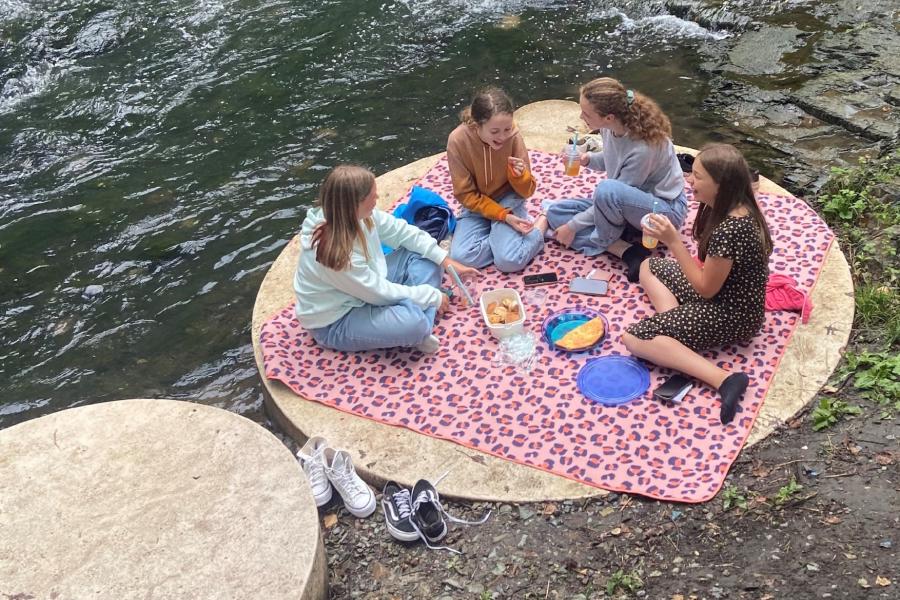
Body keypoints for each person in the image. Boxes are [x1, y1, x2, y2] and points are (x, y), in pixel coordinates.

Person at [622, 144, 773, 424]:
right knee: (648, 266)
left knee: (634, 338)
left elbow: (705, 289)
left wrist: (673, 241)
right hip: (725, 294)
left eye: (698, 176)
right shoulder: (739, 204)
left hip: (732, 314)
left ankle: (725, 379)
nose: (689, 180)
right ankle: (673, 334)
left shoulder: (731, 229)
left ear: (720, 184)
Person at [293, 165, 478, 354]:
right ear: (355, 204)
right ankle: (418, 326)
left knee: (426, 255)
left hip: (365, 288)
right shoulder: (334, 253)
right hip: (337, 319)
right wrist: (431, 296)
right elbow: (378, 293)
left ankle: (413, 312)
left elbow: (402, 232)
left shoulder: (358, 216)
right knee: (413, 325)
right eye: (372, 196)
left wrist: (445, 261)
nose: (377, 199)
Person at [545, 77, 688, 282]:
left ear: (609, 117)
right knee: (556, 213)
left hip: (663, 211)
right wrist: (587, 160)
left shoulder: (643, 149)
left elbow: (613, 193)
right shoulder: (608, 128)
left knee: (596, 199)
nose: (580, 116)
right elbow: (613, 158)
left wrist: (573, 227)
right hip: (627, 203)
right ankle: (626, 251)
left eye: (586, 113)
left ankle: (609, 242)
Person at [447, 87, 548, 273]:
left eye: (507, 129)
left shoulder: (513, 134)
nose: (502, 136)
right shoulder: (458, 140)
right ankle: (506, 240)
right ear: (477, 126)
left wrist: (520, 177)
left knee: (509, 262)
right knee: (461, 257)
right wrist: (502, 217)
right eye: (494, 131)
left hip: (509, 198)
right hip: (477, 205)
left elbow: (528, 190)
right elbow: (466, 195)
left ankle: (543, 221)